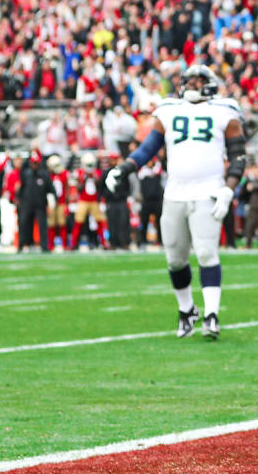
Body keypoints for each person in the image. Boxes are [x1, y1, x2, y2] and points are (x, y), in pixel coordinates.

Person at [105, 64, 246, 340]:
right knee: (174, 259)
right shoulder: (167, 111)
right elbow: (148, 148)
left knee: (206, 253)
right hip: (174, 194)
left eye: (198, 80)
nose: (192, 84)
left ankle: (212, 314)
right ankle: (186, 310)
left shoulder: (225, 111)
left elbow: (239, 155)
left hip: (208, 192)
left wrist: (229, 189)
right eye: (189, 80)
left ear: (210, 84)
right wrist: (124, 168)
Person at [16, 152, 55, 252]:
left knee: (42, 226)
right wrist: (18, 198)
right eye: (33, 163)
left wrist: (52, 201)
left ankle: (44, 246)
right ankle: (22, 245)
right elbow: (22, 188)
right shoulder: (26, 174)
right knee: (24, 224)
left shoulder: (44, 175)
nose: (34, 165)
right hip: (27, 203)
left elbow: (50, 189)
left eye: (36, 163)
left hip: (40, 204)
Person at [101, 154, 132, 249]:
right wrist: (105, 198)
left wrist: (126, 196)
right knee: (112, 223)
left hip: (122, 200)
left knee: (124, 222)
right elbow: (102, 187)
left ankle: (125, 242)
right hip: (111, 201)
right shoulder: (106, 173)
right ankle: (113, 243)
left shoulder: (122, 172)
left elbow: (127, 186)